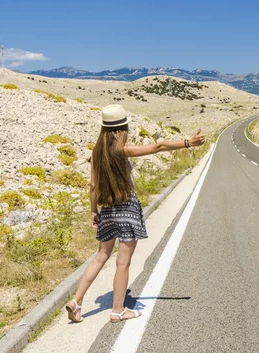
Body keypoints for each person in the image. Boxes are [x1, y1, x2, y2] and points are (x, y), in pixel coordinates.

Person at [65, 104, 205, 323]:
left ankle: (76, 302)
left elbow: (92, 186)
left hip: (107, 210)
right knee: (123, 263)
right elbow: (158, 146)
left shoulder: (96, 153)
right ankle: (118, 310)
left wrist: (93, 210)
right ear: (122, 129)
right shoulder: (123, 150)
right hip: (127, 208)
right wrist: (188, 142)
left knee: (101, 255)